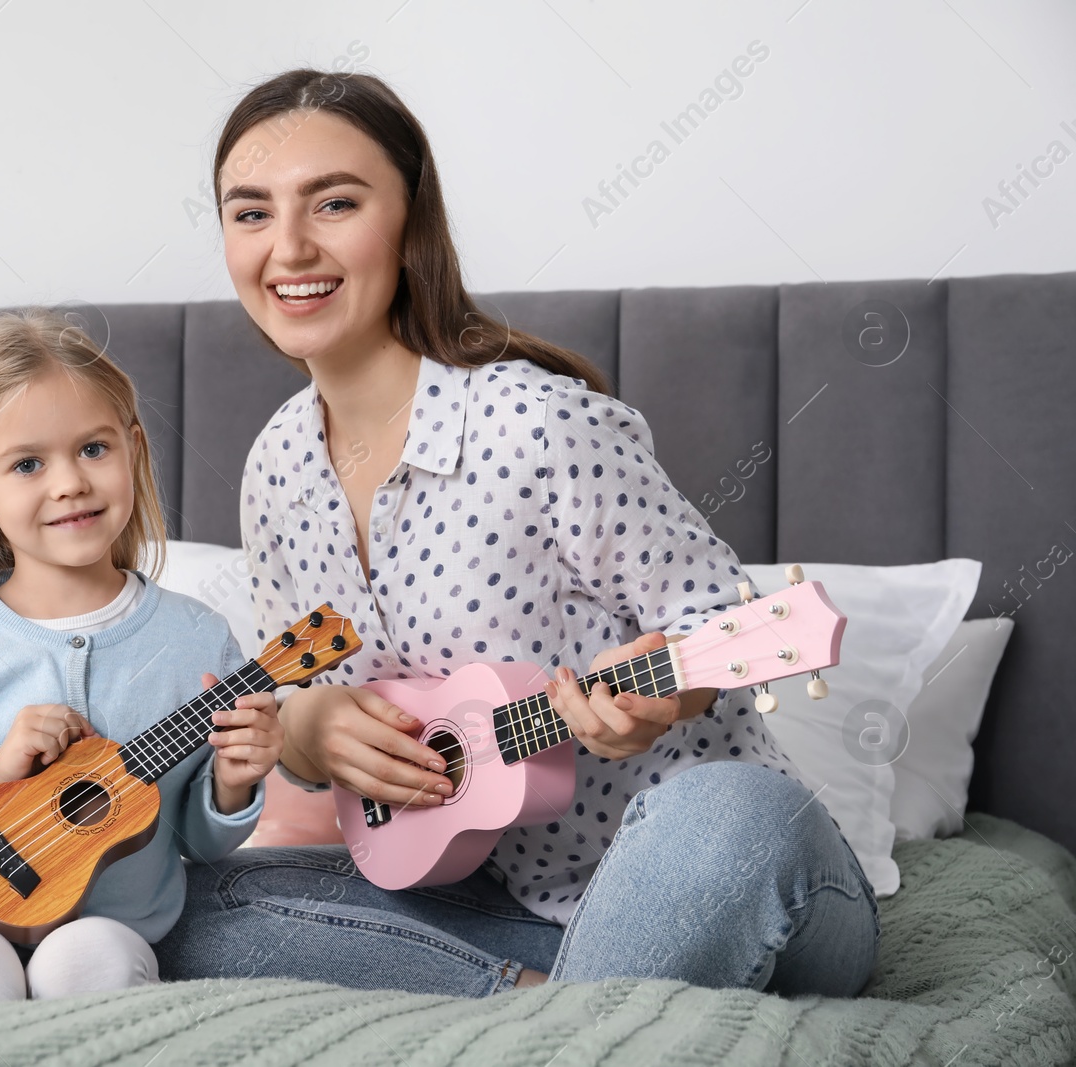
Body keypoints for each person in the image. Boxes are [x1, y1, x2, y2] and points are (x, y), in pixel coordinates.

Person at [153, 70, 879, 998]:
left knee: (731, 814)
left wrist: (663, 699)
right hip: (496, 905)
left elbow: (728, 617)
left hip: (720, 879)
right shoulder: (277, 468)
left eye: (333, 203)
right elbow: (300, 704)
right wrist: (310, 725)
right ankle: (543, 1000)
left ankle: (537, 1004)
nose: (288, 247)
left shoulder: (539, 424)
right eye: (249, 213)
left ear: (411, 222)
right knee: (175, 902)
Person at [0, 310, 283, 1006]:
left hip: (108, 920)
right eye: (27, 463)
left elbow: (194, 838)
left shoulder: (198, 641)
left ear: (132, 449)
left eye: (94, 449)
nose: (70, 481)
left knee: (93, 972)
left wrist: (232, 784)